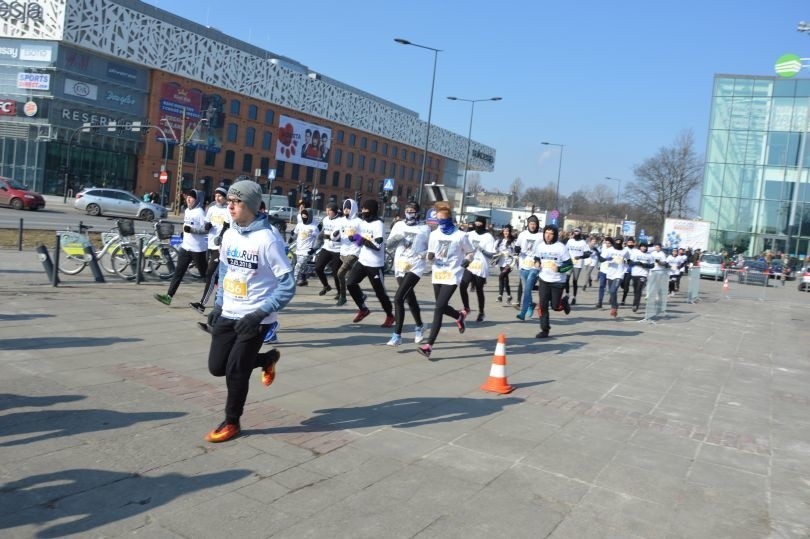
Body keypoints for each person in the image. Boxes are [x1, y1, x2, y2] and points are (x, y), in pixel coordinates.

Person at [203, 180, 294, 443]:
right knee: (217, 367)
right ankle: (266, 360)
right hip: (228, 311)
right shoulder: (230, 232)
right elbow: (224, 270)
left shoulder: (268, 240)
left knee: (236, 371)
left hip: (255, 317)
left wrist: (258, 315)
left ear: (252, 206)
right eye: (228, 201)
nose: (229, 206)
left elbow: (287, 286)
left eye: (236, 202)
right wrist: (218, 305)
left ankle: (232, 422)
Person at [417, 202, 474, 359]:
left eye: (442, 217)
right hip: (438, 273)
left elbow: (470, 252)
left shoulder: (461, 235)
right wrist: (429, 255)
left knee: (438, 308)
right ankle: (459, 316)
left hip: (452, 274)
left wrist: (467, 260)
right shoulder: (434, 234)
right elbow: (431, 251)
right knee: (440, 306)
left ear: (449, 217)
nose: (439, 220)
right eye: (438, 217)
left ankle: (429, 345)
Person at [385, 201, 430, 346]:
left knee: (398, 298)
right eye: (407, 210)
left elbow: (432, 248)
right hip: (400, 266)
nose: (409, 213)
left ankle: (397, 335)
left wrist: (425, 253)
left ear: (417, 213)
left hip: (415, 266)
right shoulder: (398, 225)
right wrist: (396, 238)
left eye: (412, 211)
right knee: (409, 298)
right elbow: (389, 245)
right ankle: (420, 326)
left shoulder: (424, 228)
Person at [345, 199, 395, 326]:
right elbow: (360, 241)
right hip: (362, 261)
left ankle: (390, 315)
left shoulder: (379, 224)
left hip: (375, 264)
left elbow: (377, 245)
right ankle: (363, 309)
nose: (363, 211)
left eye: (366, 209)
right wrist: (353, 238)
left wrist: (359, 238)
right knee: (350, 283)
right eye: (362, 209)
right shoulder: (362, 224)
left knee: (380, 293)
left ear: (372, 210)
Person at [154, 190, 208, 306]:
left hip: (197, 250)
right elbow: (187, 226)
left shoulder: (200, 212)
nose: (188, 199)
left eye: (191, 198)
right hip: (185, 248)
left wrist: (192, 230)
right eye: (187, 197)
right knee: (178, 273)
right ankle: (168, 296)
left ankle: (220, 293)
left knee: (205, 275)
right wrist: (185, 234)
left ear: (197, 199)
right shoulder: (187, 210)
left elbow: (207, 229)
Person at [190, 186, 230, 313]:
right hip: (211, 245)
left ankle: (202, 304)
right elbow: (206, 225)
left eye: (220, 196)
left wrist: (222, 235)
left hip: (221, 247)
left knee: (210, 274)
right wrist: (207, 225)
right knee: (217, 276)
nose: (217, 198)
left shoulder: (229, 210)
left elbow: (228, 226)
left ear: (225, 197)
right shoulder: (211, 208)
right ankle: (223, 301)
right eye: (216, 196)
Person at [534, 224, 572, 338]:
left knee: (555, 306)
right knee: (543, 305)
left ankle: (564, 302)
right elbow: (537, 257)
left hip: (558, 281)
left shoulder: (560, 247)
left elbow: (569, 265)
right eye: (546, 233)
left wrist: (559, 269)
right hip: (544, 279)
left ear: (555, 235)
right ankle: (545, 330)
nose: (548, 236)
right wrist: (537, 262)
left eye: (551, 234)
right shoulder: (540, 246)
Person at [459, 215, 496, 322]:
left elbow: (492, 255)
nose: (478, 225)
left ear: (484, 224)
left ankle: (481, 312)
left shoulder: (488, 237)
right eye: (476, 223)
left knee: (479, 290)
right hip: (469, 264)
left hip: (481, 266)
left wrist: (482, 250)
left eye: (480, 224)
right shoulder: (469, 234)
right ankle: (466, 307)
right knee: (462, 285)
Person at [332, 198, 362, 306]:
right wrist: (334, 235)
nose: (346, 210)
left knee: (340, 273)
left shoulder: (359, 222)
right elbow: (334, 237)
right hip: (343, 252)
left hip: (354, 252)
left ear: (353, 209)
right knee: (350, 277)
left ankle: (343, 297)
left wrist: (355, 238)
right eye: (345, 208)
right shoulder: (341, 221)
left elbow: (364, 239)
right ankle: (361, 294)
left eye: (348, 208)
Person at [515, 215, 542, 320]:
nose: (533, 226)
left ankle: (523, 313)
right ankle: (531, 304)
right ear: (528, 224)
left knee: (527, 289)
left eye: (534, 224)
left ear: (537, 225)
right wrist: (516, 249)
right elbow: (517, 246)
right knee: (527, 288)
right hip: (523, 264)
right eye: (531, 224)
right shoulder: (522, 234)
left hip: (535, 266)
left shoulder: (541, 236)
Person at [313, 202, 342, 296]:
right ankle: (326, 286)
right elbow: (322, 233)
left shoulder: (340, 221)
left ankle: (340, 292)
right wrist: (315, 247)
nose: (327, 212)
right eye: (327, 210)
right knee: (318, 268)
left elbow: (336, 236)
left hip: (338, 249)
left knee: (335, 272)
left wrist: (328, 236)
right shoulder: (325, 219)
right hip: (326, 247)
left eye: (329, 210)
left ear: (334, 211)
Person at [596, 237, 627, 317]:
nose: (618, 243)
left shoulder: (625, 251)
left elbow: (629, 260)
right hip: (610, 273)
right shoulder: (610, 250)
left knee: (613, 290)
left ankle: (614, 307)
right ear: (614, 242)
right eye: (617, 241)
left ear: (622, 242)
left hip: (619, 274)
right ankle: (615, 305)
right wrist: (605, 257)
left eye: (620, 241)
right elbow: (601, 259)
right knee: (611, 291)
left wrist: (626, 262)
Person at [289, 207, 319, 286]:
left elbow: (318, 239)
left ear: (310, 216)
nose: (304, 218)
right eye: (303, 216)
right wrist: (291, 239)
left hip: (307, 251)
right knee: (302, 267)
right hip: (298, 250)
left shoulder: (314, 227)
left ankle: (293, 283)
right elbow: (295, 235)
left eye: (306, 216)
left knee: (298, 267)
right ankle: (304, 280)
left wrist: (314, 248)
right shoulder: (299, 225)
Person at [628, 241, 655, 312]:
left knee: (639, 289)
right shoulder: (635, 253)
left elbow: (652, 265)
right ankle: (636, 302)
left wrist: (644, 265)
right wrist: (637, 263)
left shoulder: (650, 255)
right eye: (642, 246)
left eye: (645, 246)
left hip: (643, 274)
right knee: (635, 290)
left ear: (646, 248)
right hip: (635, 274)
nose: (643, 248)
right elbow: (630, 263)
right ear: (640, 247)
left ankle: (635, 305)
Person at [565, 227, 590, 305]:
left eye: (577, 232)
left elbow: (587, 254)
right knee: (566, 279)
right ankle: (567, 294)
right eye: (575, 231)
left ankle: (574, 297)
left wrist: (580, 257)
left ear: (580, 233)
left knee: (574, 281)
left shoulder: (583, 242)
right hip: (569, 263)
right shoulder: (570, 241)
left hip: (578, 264)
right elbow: (565, 251)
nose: (576, 233)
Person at [494, 225, 516, 304]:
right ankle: (509, 296)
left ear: (510, 232)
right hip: (501, 262)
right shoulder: (499, 240)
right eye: (504, 231)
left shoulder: (513, 241)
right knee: (505, 279)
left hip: (510, 262)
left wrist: (511, 255)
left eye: (507, 231)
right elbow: (494, 250)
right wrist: (498, 254)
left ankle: (500, 295)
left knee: (501, 276)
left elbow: (515, 252)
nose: (506, 232)